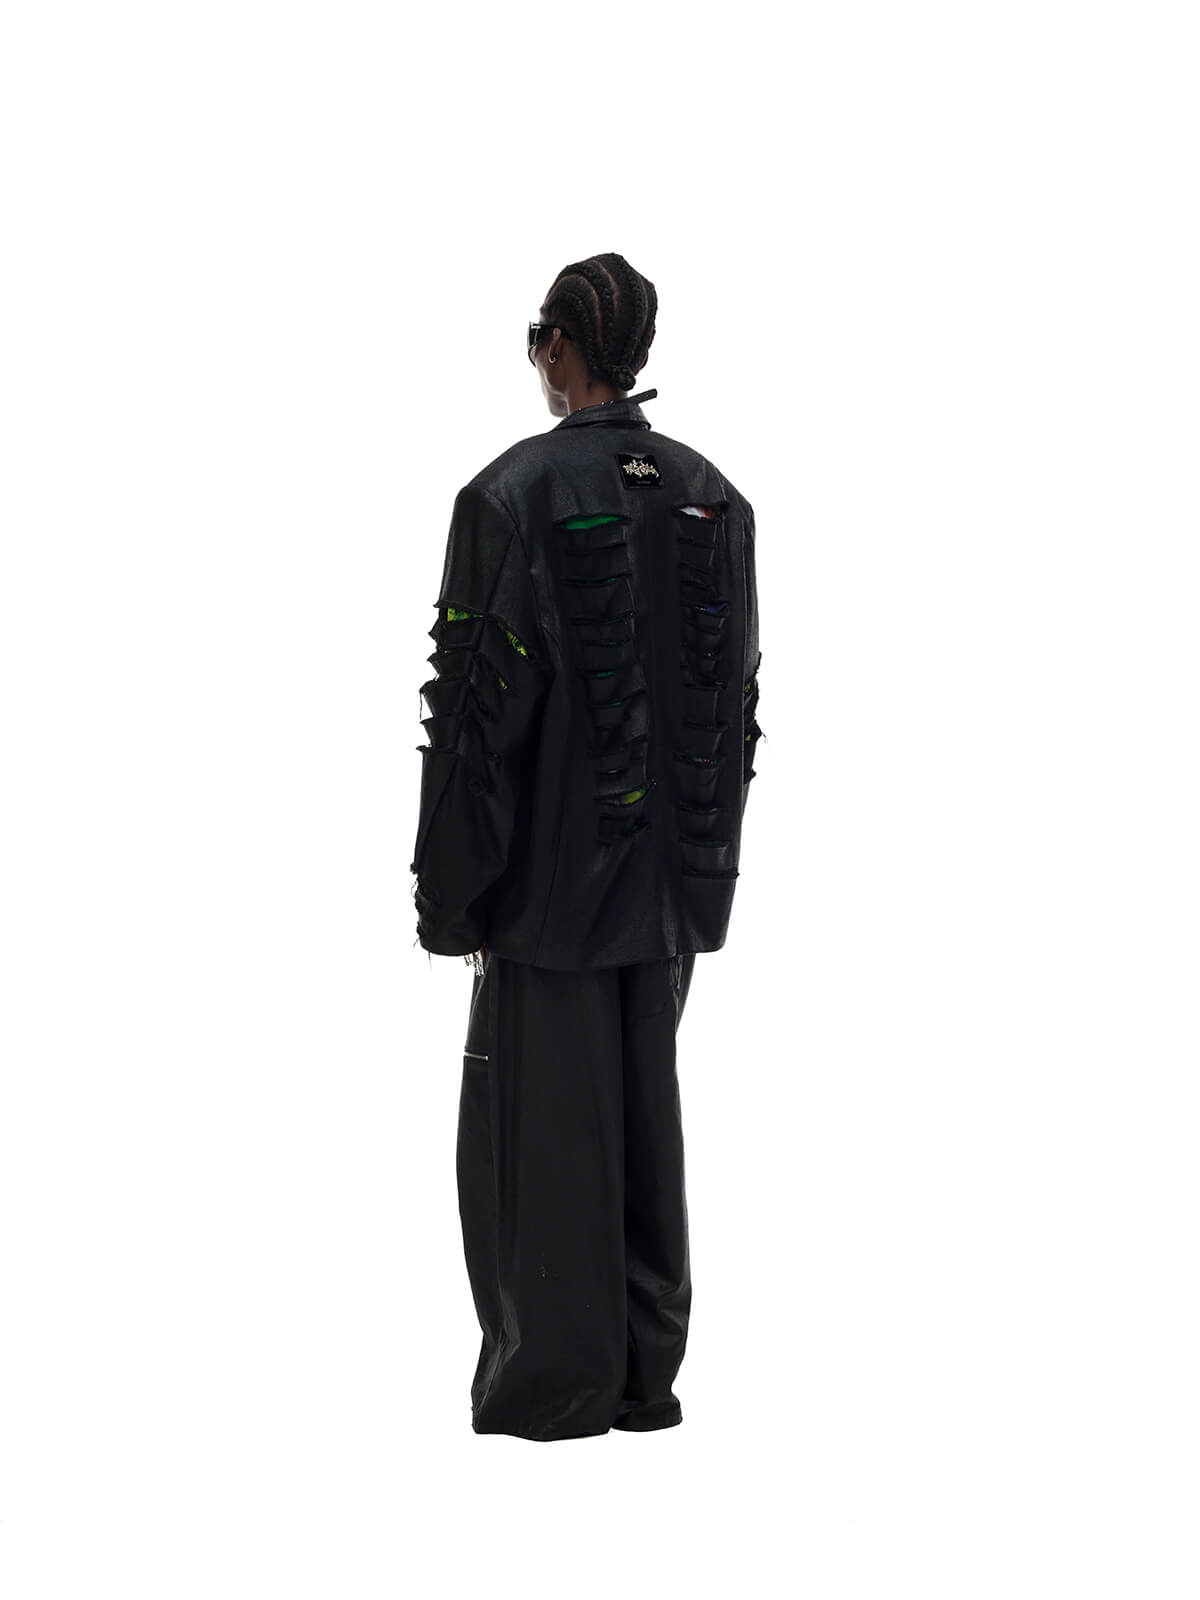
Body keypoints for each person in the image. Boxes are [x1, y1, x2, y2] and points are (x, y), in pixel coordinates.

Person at [410, 252, 764, 1441]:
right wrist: (700, 875)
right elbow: (735, 705)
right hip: (671, 892)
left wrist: (452, 898)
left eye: (536, 340)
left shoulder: (507, 497)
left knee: (541, 1148)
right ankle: (642, 1380)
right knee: (644, 1128)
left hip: (549, 896)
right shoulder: (716, 497)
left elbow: (475, 721)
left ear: (559, 345)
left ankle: (555, 1390)